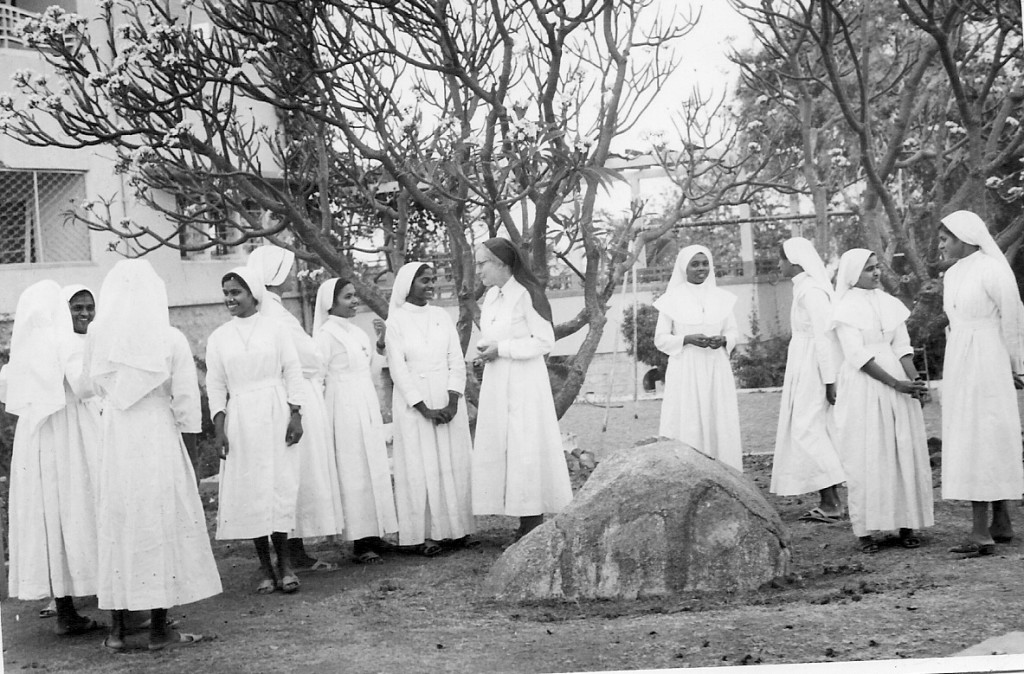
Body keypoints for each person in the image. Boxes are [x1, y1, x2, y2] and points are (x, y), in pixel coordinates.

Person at [86, 259, 221, 650]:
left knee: (119, 521)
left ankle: (118, 630)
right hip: (156, 435)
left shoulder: (99, 336)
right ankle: (159, 627)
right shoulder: (170, 338)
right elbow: (185, 403)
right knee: (157, 522)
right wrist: (191, 459)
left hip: (117, 435)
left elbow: (92, 384)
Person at [3, 281, 102, 637]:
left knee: (53, 516)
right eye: (73, 309)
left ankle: (66, 610)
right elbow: (85, 385)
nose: (82, 315)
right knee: (81, 507)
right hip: (71, 435)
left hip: (37, 442)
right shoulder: (67, 344)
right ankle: (109, 598)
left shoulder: (26, 356)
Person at [206, 266, 306, 594]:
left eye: (236, 292)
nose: (230, 299)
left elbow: (292, 370)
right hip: (242, 417)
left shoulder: (275, 329)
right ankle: (264, 565)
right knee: (253, 491)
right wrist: (219, 429)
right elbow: (216, 384)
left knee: (277, 486)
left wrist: (296, 414)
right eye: (226, 293)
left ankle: (286, 563)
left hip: (275, 411)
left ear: (253, 294)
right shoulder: (219, 337)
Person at [248, 245, 345, 572]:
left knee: (284, 474)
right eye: (287, 270)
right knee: (297, 473)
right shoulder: (276, 314)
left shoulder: (264, 310)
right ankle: (295, 552)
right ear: (276, 275)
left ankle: (290, 550)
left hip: (274, 398)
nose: (291, 276)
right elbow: (309, 357)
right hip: (295, 395)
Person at [831, 249, 933, 553]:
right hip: (865, 385)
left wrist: (913, 382)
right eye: (868, 270)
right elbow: (857, 355)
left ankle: (905, 524)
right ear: (852, 275)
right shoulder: (844, 309)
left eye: (877, 268)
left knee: (901, 449)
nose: (876, 274)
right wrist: (894, 383)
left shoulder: (890, 304)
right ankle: (865, 530)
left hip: (898, 383)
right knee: (868, 453)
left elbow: (902, 346)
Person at [471, 238, 573, 541]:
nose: (477, 270)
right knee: (505, 445)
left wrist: (502, 348)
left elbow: (544, 341)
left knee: (524, 444)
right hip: (497, 379)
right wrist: (487, 350)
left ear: (502, 264)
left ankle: (532, 517)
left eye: (482, 263)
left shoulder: (527, 294)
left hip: (524, 382)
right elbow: (492, 334)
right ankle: (518, 510)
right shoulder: (490, 297)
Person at [937, 210, 1024, 557]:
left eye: (945, 239)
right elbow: (953, 321)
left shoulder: (992, 268)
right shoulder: (952, 274)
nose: (941, 244)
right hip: (960, 357)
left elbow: (1013, 316)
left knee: (988, 434)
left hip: (989, 357)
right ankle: (1000, 523)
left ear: (963, 238)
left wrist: (1018, 364)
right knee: (970, 434)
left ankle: (981, 532)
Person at [386, 262, 475, 555]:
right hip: (415, 403)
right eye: (425, 280)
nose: (430, 285)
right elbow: (398, 369)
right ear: (408, 284)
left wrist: (453, 400)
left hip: (446, 397)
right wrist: (423, 408)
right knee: (419, 466)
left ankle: (457, 530)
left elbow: (455, 358)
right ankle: (424, 535)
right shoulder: (396, 322)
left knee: (451, 462)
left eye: (432, 279)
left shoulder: (441, 316)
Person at [313, 278, 399, 564]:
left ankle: (376, 533)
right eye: (348, 297)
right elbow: (319, 376)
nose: (354, 301)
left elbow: (371, 371)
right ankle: (360, 541)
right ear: (331, 302)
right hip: (342, 407)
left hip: (364, 402)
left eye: (354, 296)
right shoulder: (325, 336)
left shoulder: (356, 332)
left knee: (373, 465)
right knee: (354, 470)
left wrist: (381, 344)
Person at [770, 238, 846, 522]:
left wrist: (829, 380)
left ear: (793, 260)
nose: (778, 265)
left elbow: (824, 337)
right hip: (803, 361)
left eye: (780, 259)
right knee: (807, 427)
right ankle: (829, 499)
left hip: (814, 365)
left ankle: (832, 502)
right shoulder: (801, 287)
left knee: (807, 428)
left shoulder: (812, 291)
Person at [653, 244, 743, 471]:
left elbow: (733, 331)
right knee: (688, 419)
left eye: (705, 264)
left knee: (718, 417)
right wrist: (686, 339)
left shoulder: (722, 298)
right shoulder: (671, 299)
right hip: (686, 368)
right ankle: (689, 471)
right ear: (684, 268)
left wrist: (723, 340)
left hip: (716, 367)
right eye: (695, 264)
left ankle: (725, 471)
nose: (701, 268)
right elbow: (661, 339)